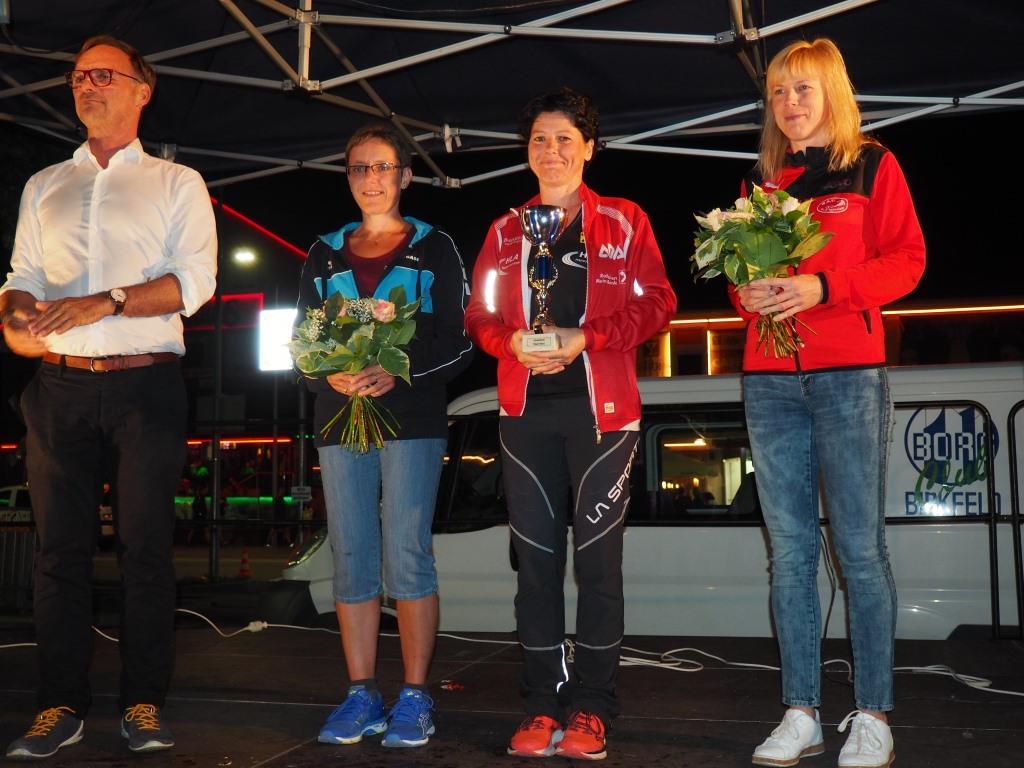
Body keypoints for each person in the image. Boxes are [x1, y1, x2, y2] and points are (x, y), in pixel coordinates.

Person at [0, 35, 216, 760]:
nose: (86, 85)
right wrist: (15, 318)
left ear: (141, 91)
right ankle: (58, 705)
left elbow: (195, 283)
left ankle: (143, 703)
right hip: (57, 386)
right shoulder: (45, 184)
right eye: (77, 77)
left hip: (145, 384)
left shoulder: (177, 182)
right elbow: (22, 275)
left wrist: (106, 301)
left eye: (103, 75)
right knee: (57, 555)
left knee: (145, 552)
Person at [464, 87, 676, 761]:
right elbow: (479, 316)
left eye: (564, 138)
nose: (550, 150)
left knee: (599, 567)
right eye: (539, 139)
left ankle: (592, 706)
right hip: (525, 414)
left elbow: (659, 301)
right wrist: (510, 343)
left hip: (603, 416)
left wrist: (587, 338)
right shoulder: (505, 231)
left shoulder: (624, 219)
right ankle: (540, 704)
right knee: (535, 567)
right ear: (526, 151)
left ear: (588, 147)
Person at [732, 39, 925, 768]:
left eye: (804, 89)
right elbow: (739, 280)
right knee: (788, 553)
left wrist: (823, 288)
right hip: (768, 378)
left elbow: (907, 260)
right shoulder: (760, 182)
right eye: (780, 92)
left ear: (833, 93)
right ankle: (801, 712)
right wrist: (748, 294)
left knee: (859, 551)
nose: (790, 104)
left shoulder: (874, 164)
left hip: (850, 376)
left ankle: (873, 714)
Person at [296, 121, 473, 749]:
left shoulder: (435, 247)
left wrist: (399, 372)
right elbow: (304, 342)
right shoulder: (322, 253)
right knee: (351, 554)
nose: (370, 178)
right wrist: (326, 372)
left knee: (406, 552)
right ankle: (361, 692)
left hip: (412, 420)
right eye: (359, 168)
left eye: (382, 167)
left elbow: (458, 341)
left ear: (405, 175)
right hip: (338, 419)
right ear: (348, 177)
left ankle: (415, 695)